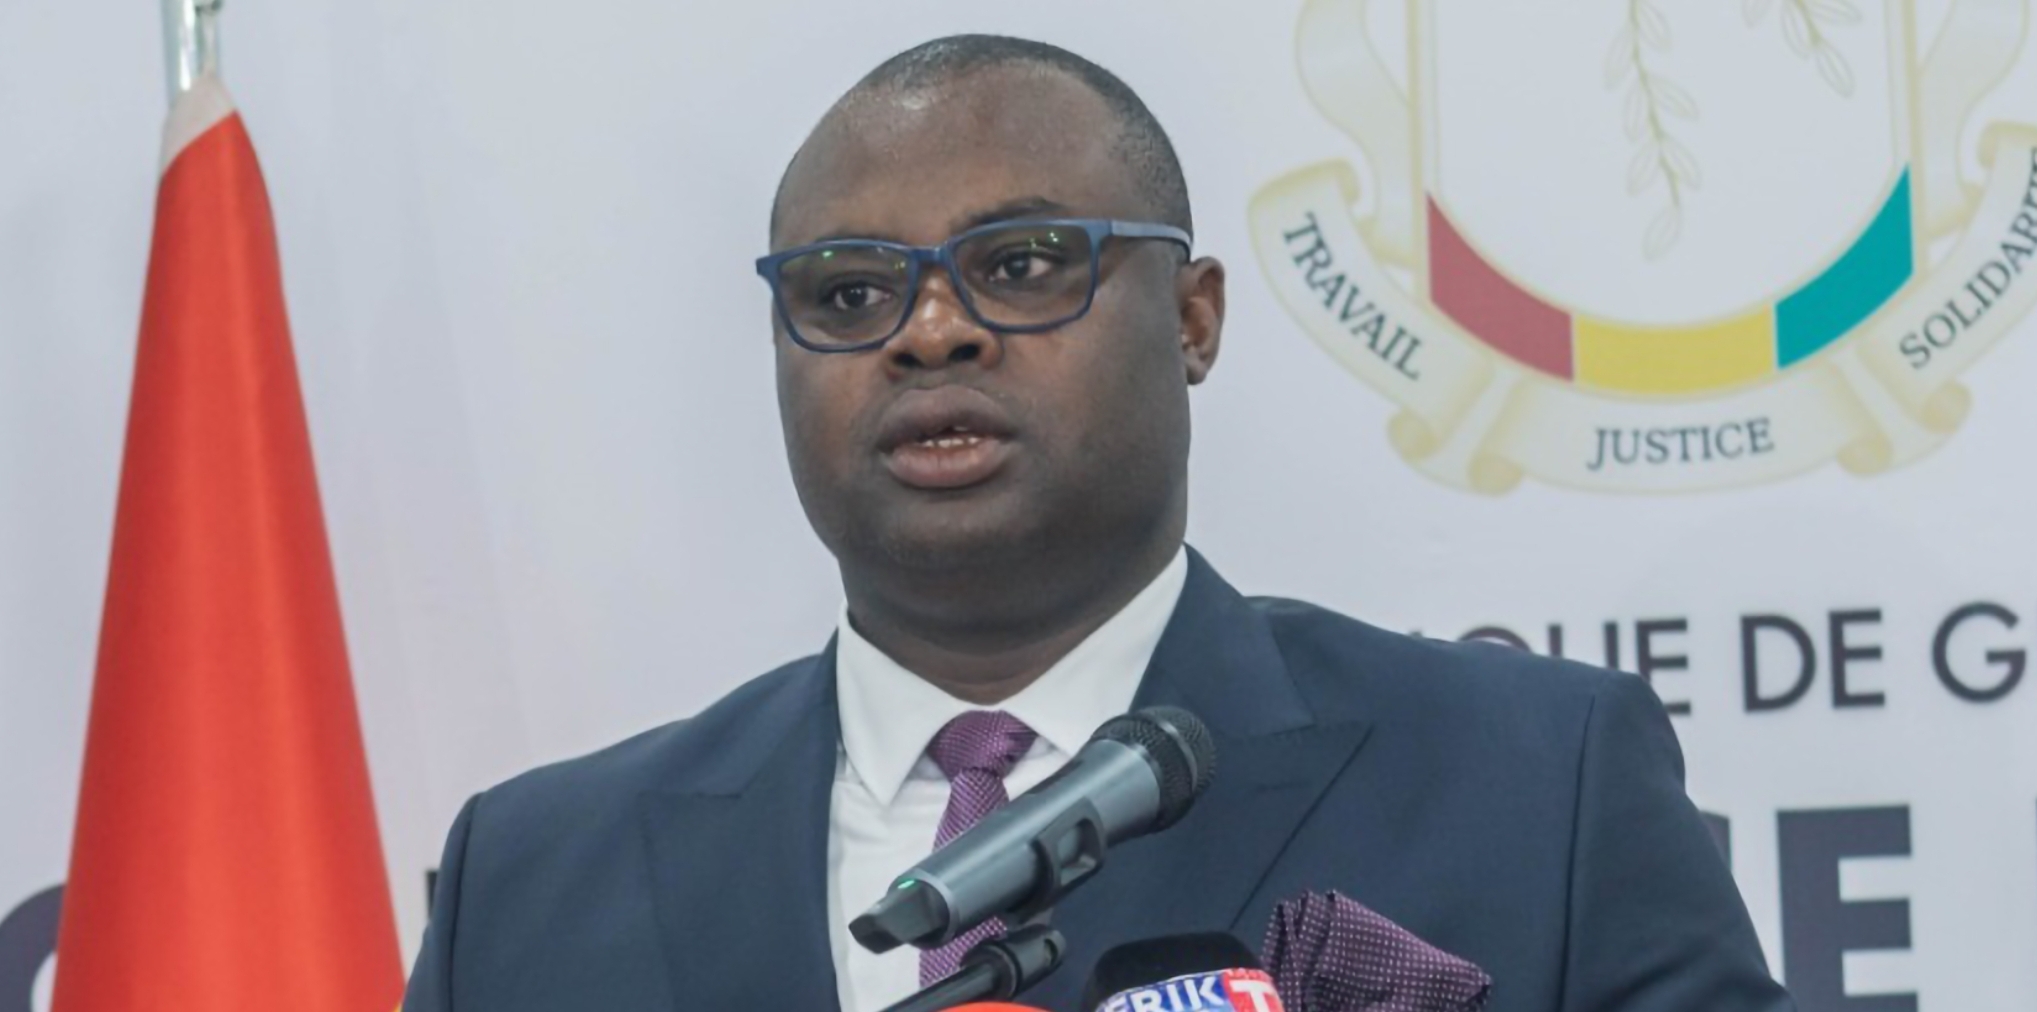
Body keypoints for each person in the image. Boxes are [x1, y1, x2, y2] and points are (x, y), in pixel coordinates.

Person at [400, 34, 1795, 1012]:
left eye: (1018, 267)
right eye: (848, 294)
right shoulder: (531, 878)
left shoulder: (1531, 786)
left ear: (1192, 320)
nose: (928, 333)